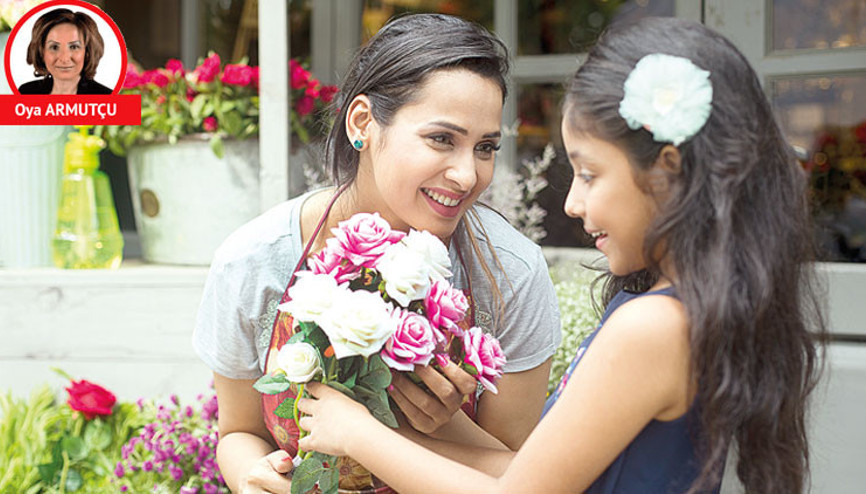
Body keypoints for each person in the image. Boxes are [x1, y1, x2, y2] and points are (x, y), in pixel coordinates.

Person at [296, 16, 827, 493]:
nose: (572, 203)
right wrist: (403, 431)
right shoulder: (680, 310)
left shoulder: (654, 327)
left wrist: (360, 435)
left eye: (591, 174)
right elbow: (531, 471)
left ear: (668, 171)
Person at [192, 13, 561, 493]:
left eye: (485, 147)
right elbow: (239, 432)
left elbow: (524, 476)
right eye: (441, 139)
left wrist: (436, 423)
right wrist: (251, 479)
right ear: (362, 122)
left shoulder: (511, 274)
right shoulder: (256, 261)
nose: (468, 175)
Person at [18, 8, 112, 95]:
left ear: (87, 52)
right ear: (41, 52)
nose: (64, 58)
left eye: (74, 47)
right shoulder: (26, 92)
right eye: (54, 47)